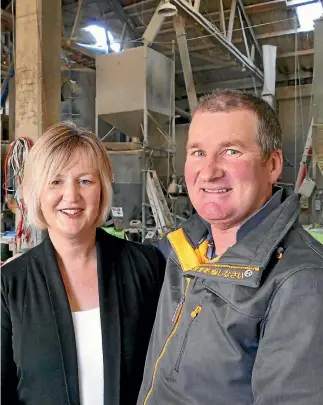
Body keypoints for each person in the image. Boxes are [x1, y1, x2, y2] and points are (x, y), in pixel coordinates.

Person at [138, 90, 323, 405]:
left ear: (273, 164)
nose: (209, 171)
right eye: (198, 152)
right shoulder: (185, 248)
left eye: (231, 152)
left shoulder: (300, 281)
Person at [1, 122, 165, 405]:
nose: (71, 196)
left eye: (85, 181)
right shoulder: (10, 284)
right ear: (38, 193)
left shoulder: (145, 266)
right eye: (55, 181)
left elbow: (167, 369)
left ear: (102, 188)